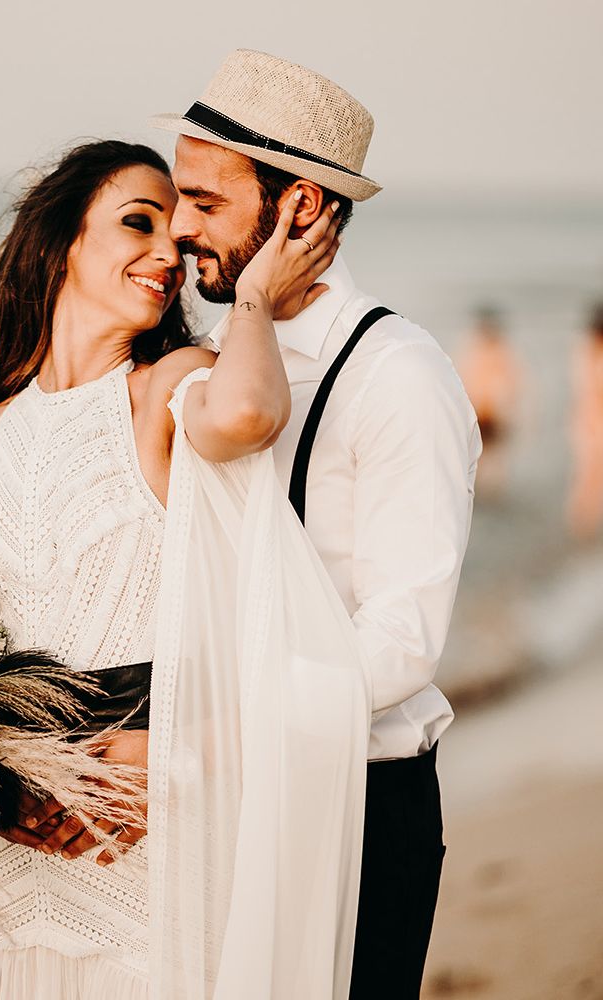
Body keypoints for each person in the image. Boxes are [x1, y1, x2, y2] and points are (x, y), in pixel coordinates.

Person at [0, 139, 370, 999]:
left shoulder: (170, 387)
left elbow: (248, 411)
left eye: (178, 230)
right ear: (60, 241)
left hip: (148, 821)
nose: (170, 251)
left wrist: (256, 299)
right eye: (138, 223)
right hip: (18, 843)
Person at [150, 49, 481, 998]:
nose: (178, 231)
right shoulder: (195, 361)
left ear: (299, 210)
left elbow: (403, 642)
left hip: (359, 802)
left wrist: (218, 726)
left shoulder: (399, 376)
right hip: (214, 802)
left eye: (207, 203)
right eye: (178, 199)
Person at [456, 305, 523, 499]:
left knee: (491, 464)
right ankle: (484, 494)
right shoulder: (473, 348)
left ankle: (488, 495)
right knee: (482, 462)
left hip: (493, 415)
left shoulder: (500, 351)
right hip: (480, 413)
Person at [567, 302, 603, 539]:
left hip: (590, 421)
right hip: (590, 423)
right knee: (587, 478)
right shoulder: (586, 352)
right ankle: (582, 527)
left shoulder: (587, 351)